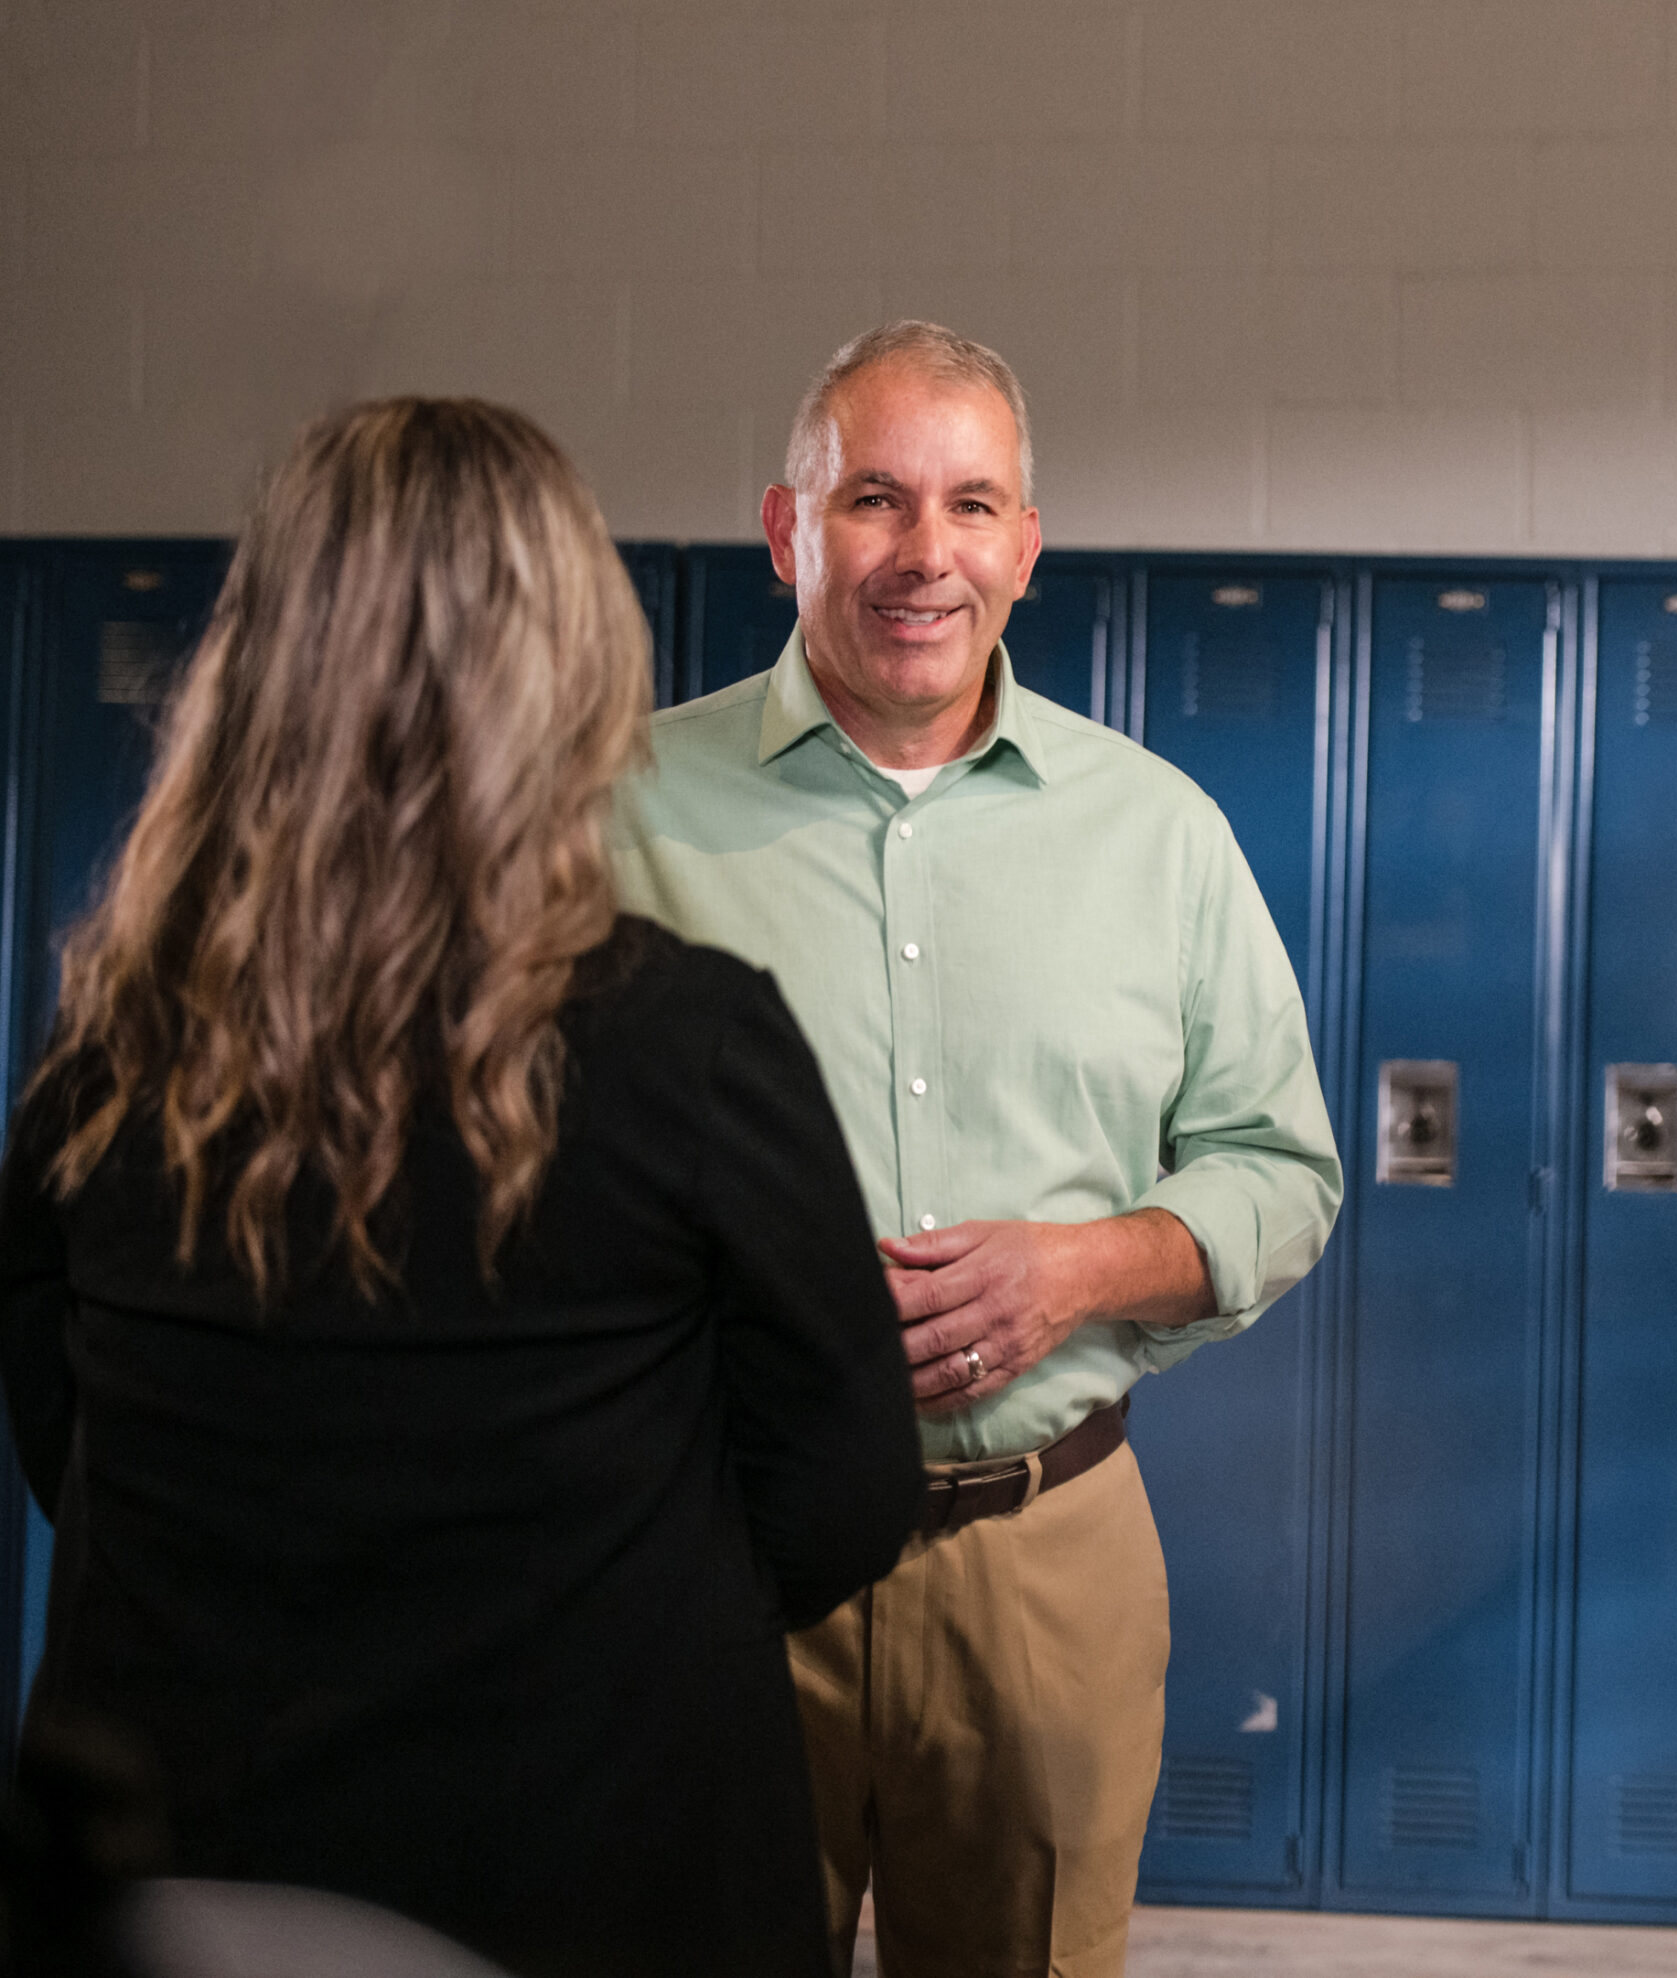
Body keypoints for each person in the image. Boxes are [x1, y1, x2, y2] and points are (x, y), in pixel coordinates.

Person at [0, 398, 923, 1978]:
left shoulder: (111, 1049)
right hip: (606, 1862)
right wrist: (620, 1583)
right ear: (566, 671)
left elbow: (59, 1431)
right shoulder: (693, 1046)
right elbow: (845, 1487)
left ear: (254, 670)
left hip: (194, 1873)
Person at [611, 321, 1341, 1978]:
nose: (923, 552)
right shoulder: (620, 811)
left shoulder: (1158, 835)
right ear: (790, 531)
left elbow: (1281, 1165)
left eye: (969, 504)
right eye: (874, 499)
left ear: (1025, 546)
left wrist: (1084, 1266)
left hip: (1044, 1556)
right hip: (708, 1557)